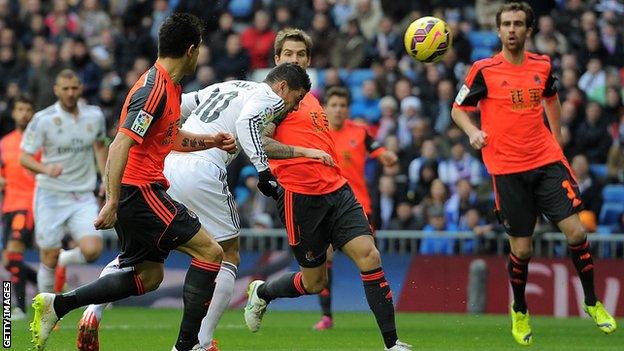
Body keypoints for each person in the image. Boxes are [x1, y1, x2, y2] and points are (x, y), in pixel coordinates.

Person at [28, 13, 237, 351]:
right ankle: (188, 346)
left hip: (141, 190)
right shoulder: (153, 90)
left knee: (150, 276)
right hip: (139, 190)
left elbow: (169, 139)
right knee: (211, 251)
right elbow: (120, 143)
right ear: (190, 50)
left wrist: (210, 140)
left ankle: (58, 305)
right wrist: (112, 200)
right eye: (199, 50)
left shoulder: (169, 87)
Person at [76, 63, 315, 351]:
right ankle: (201, 342)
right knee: (228, 254)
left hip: (171, 164)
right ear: (283, 87)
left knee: (144, 252)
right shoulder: (270, 97)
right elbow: (246, 124)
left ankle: (93, 310)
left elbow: (182, 103)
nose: (293, 106)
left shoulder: (229, 86)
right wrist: (263, 172)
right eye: (297, 98)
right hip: (203, 168)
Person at [451, 2, 616, 346]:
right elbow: (458, 109)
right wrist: (471, 132)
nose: (511, 29)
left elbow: (551, 98)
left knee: (575, 231)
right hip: (507, 170)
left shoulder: (542, 64)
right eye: (506, 24)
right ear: (498, 31)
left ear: (529, 31)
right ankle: (521, 309)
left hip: (545, 162)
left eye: (518, 24)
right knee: (522, 251)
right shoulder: (483, 69)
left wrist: (556, 138)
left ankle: (592, 301)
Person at [243, 28, 411, 351]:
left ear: (308, 60)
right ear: (277, 60)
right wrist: (301, 154)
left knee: (370, 255)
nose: (295, 60)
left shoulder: (313, 99)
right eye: (288, 55)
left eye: (301, 55)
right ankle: (262, 292)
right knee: (314, 282)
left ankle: (392, 344)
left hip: (338, 191)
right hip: (300, 198)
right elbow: (259, 142)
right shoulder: (269, 100)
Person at [312, 86, 398, 331]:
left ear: (348, 109)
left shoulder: (360, 132)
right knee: (325, 258)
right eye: (334, 105)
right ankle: (326, 316)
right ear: (326, 108)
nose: (338, 110)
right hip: (325, 206)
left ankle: (382, 315)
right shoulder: (317, 134)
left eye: (342, 105)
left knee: (369, 260)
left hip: (359, 206)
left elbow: (379, 150)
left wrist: (387, 156)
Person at [20, 68, 107, 295]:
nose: (70, 93)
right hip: (51, 194)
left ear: (81, 88)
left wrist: (105, 178)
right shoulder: (43, 119)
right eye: (65, 88)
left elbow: (99, 146)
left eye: (74, 88)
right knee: (48, 255)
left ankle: (64, 258)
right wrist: (45, 168)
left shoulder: (94, 115)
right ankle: (45, 306)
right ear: (56, 90)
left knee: (93, 250)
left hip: (82, 194)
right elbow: (24, 157)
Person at [0, 95, 38, 320]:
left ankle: (19, 308)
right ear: (14, 113)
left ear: (32, 114)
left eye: (27, 109)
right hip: (9, 206)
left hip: (29, 204)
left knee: (14, 254)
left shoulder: (38, 141)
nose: (24, 113)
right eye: (20, 109)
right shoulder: (4, 143)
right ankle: (48, 289)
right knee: (9, 261)